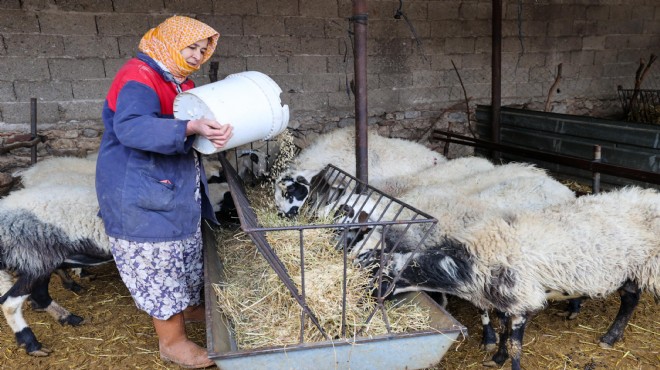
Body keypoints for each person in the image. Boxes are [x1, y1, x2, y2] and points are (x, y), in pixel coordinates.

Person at [95, 15, 232, 369]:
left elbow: (192, 127)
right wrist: (188, 126)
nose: (197, 55)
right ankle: (172, 342)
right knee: (157, 268)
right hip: (140, 194)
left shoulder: (178, 82)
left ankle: (187, 309)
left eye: (204, 49)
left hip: (169, 190)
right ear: (171, 41)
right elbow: (132, 127)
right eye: (191, 46)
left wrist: (211, 131)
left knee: (182, 258)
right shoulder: (139, 77)